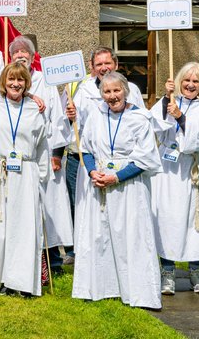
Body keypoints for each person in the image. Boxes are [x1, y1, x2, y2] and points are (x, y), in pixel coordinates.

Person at [72, 72, 162, 309]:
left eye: (116, 90)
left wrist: (117, 177)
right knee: (99, 235)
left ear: (126, 90)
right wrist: (92, 172)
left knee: (132, 236)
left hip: (129, 185)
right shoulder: (96, 114)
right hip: (100, 181)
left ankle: (138, 292)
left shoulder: (140, 118)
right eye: (107, 92)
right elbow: (86, 148)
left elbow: (145, 158)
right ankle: (102, 287)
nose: (112, 96)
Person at [61, 46, 143, 264]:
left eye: (108, 63)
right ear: (91, 67)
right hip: (90, 160)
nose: (104, 67)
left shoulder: (132, 89)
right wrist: (71, 117)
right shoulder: (81, 89)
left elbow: (140, 120)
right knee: (88, 208)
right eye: (99, 64)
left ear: (116, 64)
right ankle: (87, 252)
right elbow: (71, 127)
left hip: (122, 161)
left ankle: (122, 253)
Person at [0, 63, 48, 297]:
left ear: (27, 83)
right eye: (11, 79)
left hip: (25, 171)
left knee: (23, 226)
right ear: (3, 81)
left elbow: (42, 144)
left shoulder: (34, 108)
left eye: (20, 80)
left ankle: (21, 281)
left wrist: (41, 176)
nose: (15, 84)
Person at [151, 61, 199, 295]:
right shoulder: (169, 100)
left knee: (196, 219)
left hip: (195, 169)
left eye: (195, 81)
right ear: (179, 81)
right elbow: (153, 126)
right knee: (168, 218)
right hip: (170, 170)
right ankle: (167, 272)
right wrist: (165, 99)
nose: (190, 84)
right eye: (186, 80)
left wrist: (181, 118)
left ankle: (196, 272)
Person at [9, 36, 71, 275]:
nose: (20, 55)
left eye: (25, 52)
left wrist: (56, 154)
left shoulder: (45, 81)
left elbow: (57, 120)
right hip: (20, 155)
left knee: (49, 206)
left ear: (33, 56)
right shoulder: (8, 79)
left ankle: (52, 261)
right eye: (16, 52)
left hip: (44, 153)